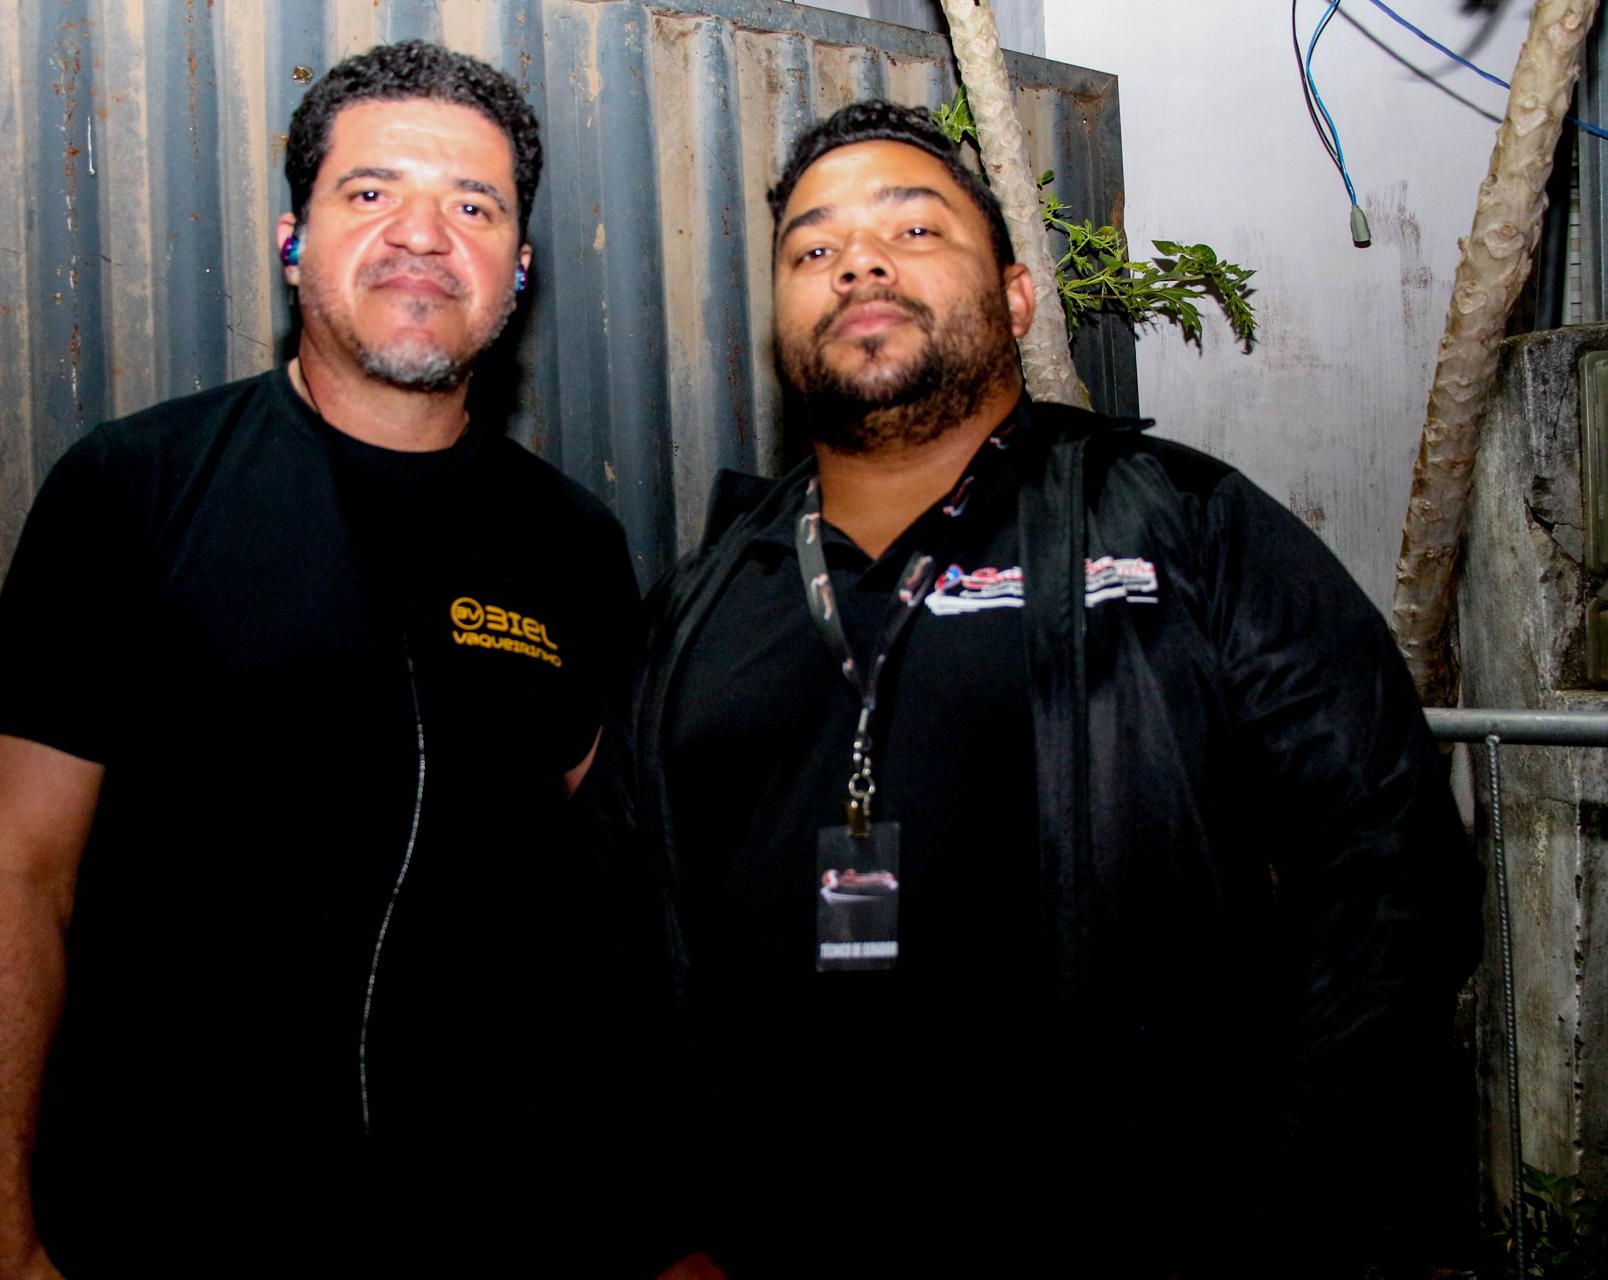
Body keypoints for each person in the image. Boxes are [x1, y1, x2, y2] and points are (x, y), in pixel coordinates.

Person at [634, 101, 1480, 1277]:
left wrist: (1300, 1195)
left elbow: (1390, 860)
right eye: (812, 248)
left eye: (914, 229)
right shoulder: (701, 601)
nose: (858, 262)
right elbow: (625, 933)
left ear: (1018, 297)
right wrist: (667, 1221)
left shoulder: (1183, 524)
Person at [0, 41, 642, 1277]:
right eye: (371, 191)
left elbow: (600, 895)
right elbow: (14, 879)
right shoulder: (136, 487)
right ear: (292, 242)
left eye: (474, 206)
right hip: (172, 1219)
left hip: (488, 1220)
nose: (422, 234)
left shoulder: (572, 541)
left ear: (520, 269)